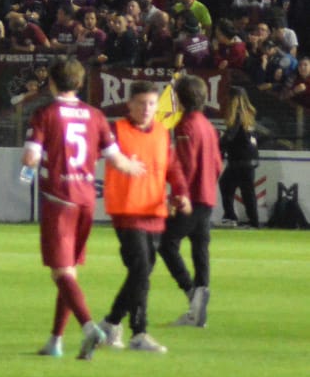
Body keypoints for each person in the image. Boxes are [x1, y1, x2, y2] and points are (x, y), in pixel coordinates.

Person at [22, 57, 146, 360]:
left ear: (52, 82)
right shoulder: (95, 116)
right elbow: (116, 160)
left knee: (60, 272)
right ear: (79, 83)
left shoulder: (44, 114)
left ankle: (89, 327)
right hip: (87, 201)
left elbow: (30, 158)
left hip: (59, 201)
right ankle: (55, 340)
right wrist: (134, 166)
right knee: (70, 272)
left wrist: (33, 163)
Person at [98, 82, 190, 354]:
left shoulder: (162, 133)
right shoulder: (116, 131)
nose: (147, 109)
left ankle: (119, 325)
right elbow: (92, 154)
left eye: (151, 104)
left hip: (155, 210)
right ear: (129, 105)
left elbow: (172, 167)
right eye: (141, 103)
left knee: (143, 272)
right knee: (140, 269)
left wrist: (181, 193)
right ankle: (130, 329)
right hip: (127, 210)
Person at [159, 75, 220, 329]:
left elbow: (184, 165)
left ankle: (192, 294)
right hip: (206, 196)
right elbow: (217, 164)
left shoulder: (185, 126)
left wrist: (177, 197)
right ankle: (199, 307)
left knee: (166, 243)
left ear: (179, 99)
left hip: (191, 197)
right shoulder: (207, 125)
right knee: (200, 250)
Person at [218, 88, 260, 227]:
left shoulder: (236, 115)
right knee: (244, 189)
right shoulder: (248, 115)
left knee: (229, 185)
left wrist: (218, 144)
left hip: (239, 160)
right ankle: (249, 220)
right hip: (249, 159)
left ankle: (234, 217)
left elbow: (230, 137)